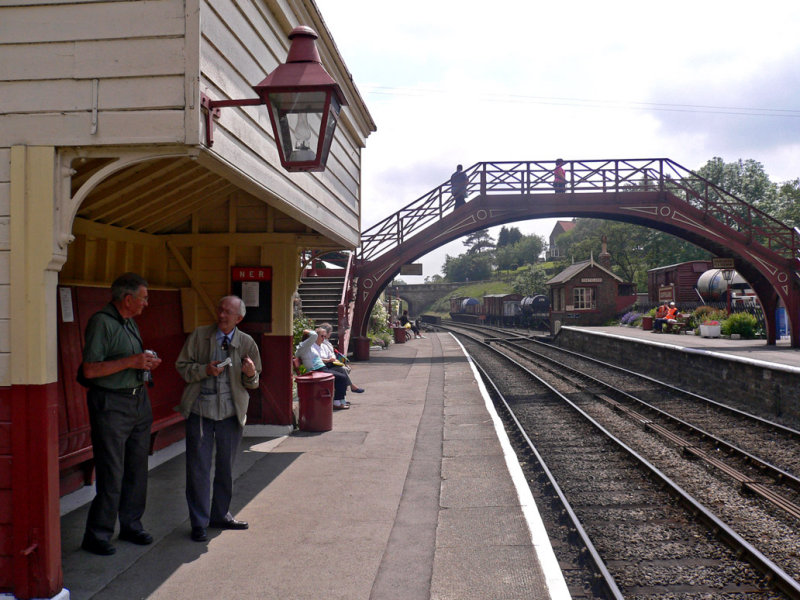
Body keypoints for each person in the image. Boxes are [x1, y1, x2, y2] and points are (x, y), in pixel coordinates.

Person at [80, 272, 163, 556]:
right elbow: (90, 369)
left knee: (137, 468)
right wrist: (132, 361)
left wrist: (145, 363)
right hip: (112, 404)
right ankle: (98, 534)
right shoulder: (101, 323)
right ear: (127, 299)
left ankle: (131, 525)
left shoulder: (129, 323)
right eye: (144, 298)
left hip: (138, 401)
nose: (146, 304)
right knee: (112, 471)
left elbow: (130, 363)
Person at [175, 295, 262, 543]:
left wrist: (251, 373)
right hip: (201, 411)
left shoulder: (246, 343)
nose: (221, 315)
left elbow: (253, 383)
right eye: (220, 309)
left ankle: (221, 514)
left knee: (226, 468)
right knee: (198, 469)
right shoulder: (200, 336)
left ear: (239, 318)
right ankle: (199, 522)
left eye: (227, 312)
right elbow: (181, 366)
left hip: (231, 413)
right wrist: (205, 370)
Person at [296, 328, 350, 409]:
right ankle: (337, 402)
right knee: (342, 378)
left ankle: (340, 400)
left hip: (322, 368)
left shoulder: (307, 346)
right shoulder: (304, 346)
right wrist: (307, 331)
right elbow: (314, 335)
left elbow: (322, 341)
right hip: (317, 369)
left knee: (342, 372)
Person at [318, 323, 364, 393]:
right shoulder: (321, 343)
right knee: (343, 370)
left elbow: (331, 354)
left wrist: (334, 359)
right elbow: (324, 356)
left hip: (329, 363)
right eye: (330, 332)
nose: (330, 334)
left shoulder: (326, 342)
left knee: (345, 369)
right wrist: (331, 359)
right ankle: (349, 389)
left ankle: (345, 392)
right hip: (325, 366)